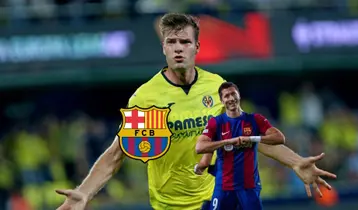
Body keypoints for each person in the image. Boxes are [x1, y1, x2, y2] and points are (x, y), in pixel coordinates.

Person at [55, 13, 337, 210]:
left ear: (197, 47)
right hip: (172, 205)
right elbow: (116, 155)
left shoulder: (216, 86)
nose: (179, 49)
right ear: (163, 48)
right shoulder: (147, 97)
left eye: (185, 42)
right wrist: (84, 192)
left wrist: (296, 161)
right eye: (172, 43)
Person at [194, 81, 285, 210]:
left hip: (249, 186)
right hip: (224, 187)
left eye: (233, 94)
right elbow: (199, 147)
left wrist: (252, 139)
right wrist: (228, 141)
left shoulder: (254, 119)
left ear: (239, 95)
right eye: (226, 96)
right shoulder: (216, 123)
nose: (231, 98)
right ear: (221, 101)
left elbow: (279, 138)